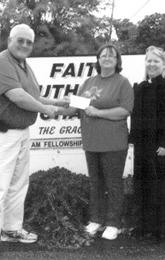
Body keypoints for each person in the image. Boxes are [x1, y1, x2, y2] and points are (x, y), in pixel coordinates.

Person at [0, 24, 67, 260]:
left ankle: (11, 230)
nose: (25, 45)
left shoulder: (24, 66)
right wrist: (47, 108)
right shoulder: (0, 62)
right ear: (10, 40)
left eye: (29, 41)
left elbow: (32, 96)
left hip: (19, 132)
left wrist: (57, 102)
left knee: (18, 185)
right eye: (21, 40)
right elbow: (17, 96)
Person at [57, 44, 134, 240]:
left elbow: (125, 110)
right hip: (91, 141)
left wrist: (98, 112)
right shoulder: (88, 82)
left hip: (114, 142)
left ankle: (113, 223)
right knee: (96, 182)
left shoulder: (122, 82)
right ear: (98, 60)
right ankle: (96, 220)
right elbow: (74, 109)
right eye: (103, 56)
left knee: (113, 183)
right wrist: (53, 107)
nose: (107, 58)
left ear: (117, 61)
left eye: (112, 56)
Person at [129, 46, 165, 243]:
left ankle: (163, 230)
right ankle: (145, 228)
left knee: (162, 186)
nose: (151, 64)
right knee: (143, 186)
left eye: (156, 61)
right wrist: (132, 140)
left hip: (163, 145)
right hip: (143, 145)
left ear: (163, 64)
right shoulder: (141, 87)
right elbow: (136, 117)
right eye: (149, 61)